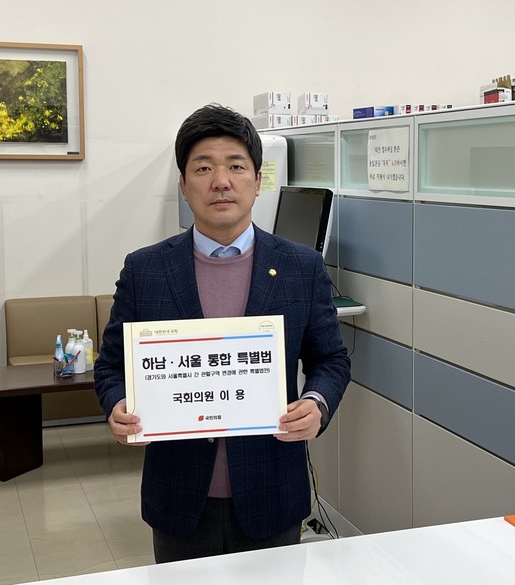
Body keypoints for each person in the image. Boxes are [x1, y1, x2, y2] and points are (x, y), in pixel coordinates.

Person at [93, 103, 350, 563]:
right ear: (183, 185)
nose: (221, 181)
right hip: (179, 497)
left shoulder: (301, 267)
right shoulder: (146, 270)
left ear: (257, 181)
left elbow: (331, 360)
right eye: (203, 168)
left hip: (272, 490)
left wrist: (316, 403)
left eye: (235, 166)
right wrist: (117, 405)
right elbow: (111, 366)